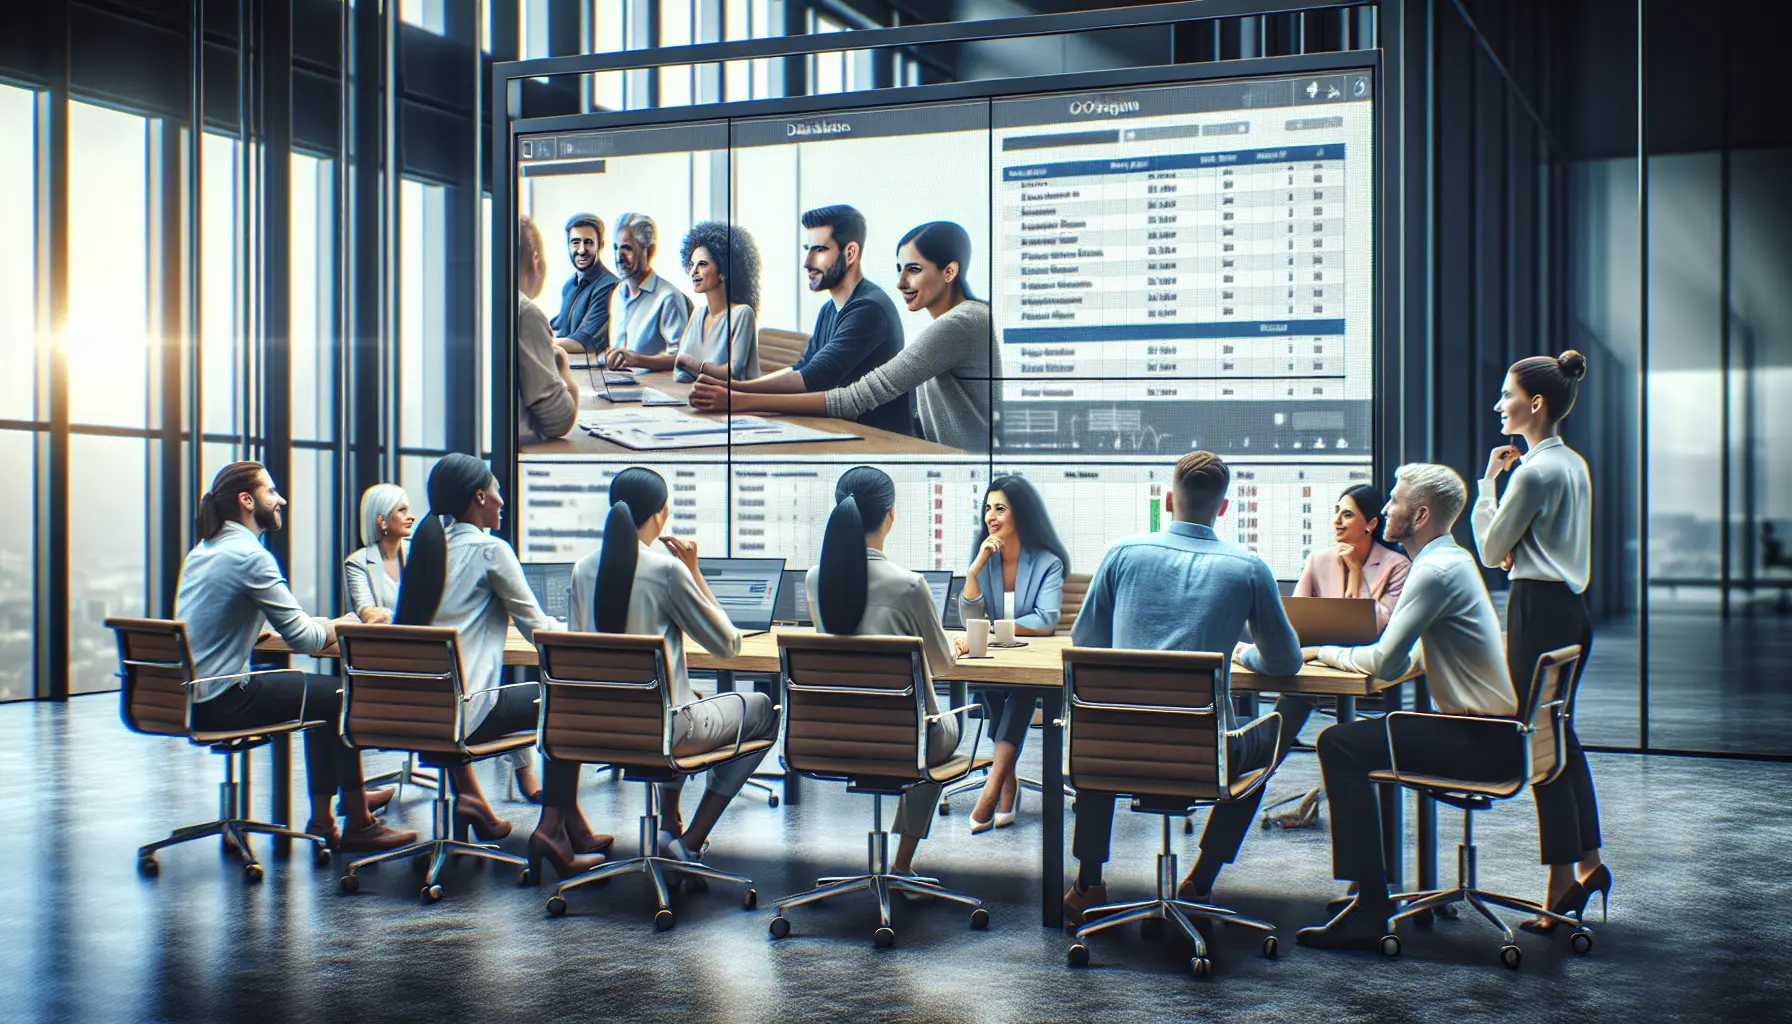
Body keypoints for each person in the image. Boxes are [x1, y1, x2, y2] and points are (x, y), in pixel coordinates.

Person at [1061, 451, 1302, 928]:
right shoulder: (1249, 568)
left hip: (1115, 752)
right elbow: (1286, 663)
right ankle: (1201, 879)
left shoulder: (1122, 554)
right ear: (1224, 508)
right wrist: (1244, 655)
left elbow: (1085, 644)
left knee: (1099, 724)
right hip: (1205, 757)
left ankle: (1088, 884)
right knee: (1268, 740)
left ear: (1169, 500)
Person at [1295, 463, 1520, 950]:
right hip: (1494, 736)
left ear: (1419, 516)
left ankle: (1369, 908)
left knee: (1339, 743)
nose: (1385, 508)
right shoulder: (1452, 561)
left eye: (1394, 501)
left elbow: (1383, 660)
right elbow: (1409, 656)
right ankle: (1368, 897)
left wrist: (1321, 652)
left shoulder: (1433, 571)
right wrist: (1379, 659)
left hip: (1478, 742)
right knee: (1356, 739)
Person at [174, 461, 414, 852]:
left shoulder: (204, 550)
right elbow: (304, 639)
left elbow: (226, 618)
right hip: (223, 699)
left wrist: (319, 624)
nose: (281, 499)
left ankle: (327, 816)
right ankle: (358, 822)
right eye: (271, 491)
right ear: (247, 500)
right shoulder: (250, 556)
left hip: (191, 698)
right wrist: (346, 623)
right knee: (336, 695)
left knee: (321, 697)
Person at [392, 453, 610, 880]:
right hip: (465, 714)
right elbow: (538, 630)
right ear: (479, 496)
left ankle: (567, 827)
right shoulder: (491, 550)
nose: (502, 500)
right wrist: (584, 631)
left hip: (415, 715)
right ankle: (555, 832)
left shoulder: (427, 550)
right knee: (565, 702)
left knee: (514, 696)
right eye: (496, 490)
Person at [568, 467, 778, 866]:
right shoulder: (666, 571)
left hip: (599, 728)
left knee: (685, 698)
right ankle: (691, 841)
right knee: (764, 711)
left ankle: (669, 821)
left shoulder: (583, 569)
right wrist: (694, 572)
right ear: (660, 514)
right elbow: (728, 645)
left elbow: (579, 653)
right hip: (664, 730)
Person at [1473, 349, 1608, 933]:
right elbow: (1525, 544)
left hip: (1537, 608)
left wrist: (1487, 485)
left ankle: (1559, 885)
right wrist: (1514, 546)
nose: (1498, 405)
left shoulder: (1529, 473)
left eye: (1507, 395)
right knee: (1561, 733)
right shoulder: (1573, 464)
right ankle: (1588, 865)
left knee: (1540, 740)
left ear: (1535, 403)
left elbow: (1489, 550)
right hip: (1572, 609)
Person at [690, 220, 990, 450]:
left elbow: (853, 397)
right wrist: (737, 392)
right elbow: (805, 369)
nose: (900, 283)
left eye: (913, 269)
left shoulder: (960, 324)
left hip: (957, 462)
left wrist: (739, 399)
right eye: (900, 269)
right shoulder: (959, 321)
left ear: (949, 272)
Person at [806, 466, 961, 879]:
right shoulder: (909, 585)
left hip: (835, 734)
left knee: (917, 731)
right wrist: (957, 647)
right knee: (937, 731)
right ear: (890, 516)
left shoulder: (815, 579)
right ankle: (901, 863)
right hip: (907, 739)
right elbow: (942, 665)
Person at [344, 483, 543, 802]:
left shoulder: (425, 551)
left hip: (420, 690)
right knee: (519, 697)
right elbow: (367, 611)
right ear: (382, 520)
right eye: (401, 510)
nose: (411, 516)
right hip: (416, 685)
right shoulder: (364, 562)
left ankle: (474, 801)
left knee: (468, 689)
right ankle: (543, 808)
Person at [1261, 484, 1412, 829]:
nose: (1337, 521)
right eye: (1336, 513)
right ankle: (1253, 780)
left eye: (1347, 514)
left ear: (1370, 524)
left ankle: (1363, 817)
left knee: (1360, 737)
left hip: (1366, 671)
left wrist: (1356, 573)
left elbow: (1375, 627)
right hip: (1318, 665)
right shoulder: (1318, 560)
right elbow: (1294, 620)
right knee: (1280, 725)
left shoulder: (1397, 566)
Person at [687, 206, 909, 436]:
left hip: (876, 439)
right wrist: (731, 387)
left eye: (820, 249)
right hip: (837, 430)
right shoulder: (829, 309)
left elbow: (810, 380)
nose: (807, 262)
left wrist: (736, 395)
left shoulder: (869, 309)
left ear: (850, 253)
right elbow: (801, 370)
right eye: (807, 249)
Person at [955, 475, 1067, 833]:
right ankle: (1008, 781)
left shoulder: (1048, 563)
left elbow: (1045, 620)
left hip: (1030, 662)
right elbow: (970, 619)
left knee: (1020, 689)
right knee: (991, 684)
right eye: (988, 508)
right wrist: (973, 571)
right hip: (994, 660)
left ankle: (993, 789)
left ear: (1021, 513)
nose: (991, 516)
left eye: (1000, 508)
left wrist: (991, 630)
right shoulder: (986, 558)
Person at [606, 220, 760, 383]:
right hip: (698, 393)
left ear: (723, 271)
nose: (693, 271)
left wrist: (696, 366)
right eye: (691, 265)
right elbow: (681, 370)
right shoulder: (699, 314)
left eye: (702, 264)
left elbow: (733, 373)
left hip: (734, 397)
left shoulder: (742, 314)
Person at [516, 215, 581, 442]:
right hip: (525, 451)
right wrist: (563, 372)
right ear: (535, 259)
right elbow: (558, 420)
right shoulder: (526, 313)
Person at [606, 212, 691, 359]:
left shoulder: (668, 297)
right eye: (615, 248)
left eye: (627, 248)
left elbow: (681, 357)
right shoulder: (617, 294)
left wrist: (638, 361)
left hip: (650, 375)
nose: (618, 257)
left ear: (650, 252)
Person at [549, 212, 620, 356]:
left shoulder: (609, 287)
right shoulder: (569, 285)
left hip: (592, 369)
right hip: (565, 365)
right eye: (575, 242)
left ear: (601, 245)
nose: (581, 250)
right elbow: (559, 326)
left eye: (588, 242)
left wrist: (538, 343)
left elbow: (583, 342)